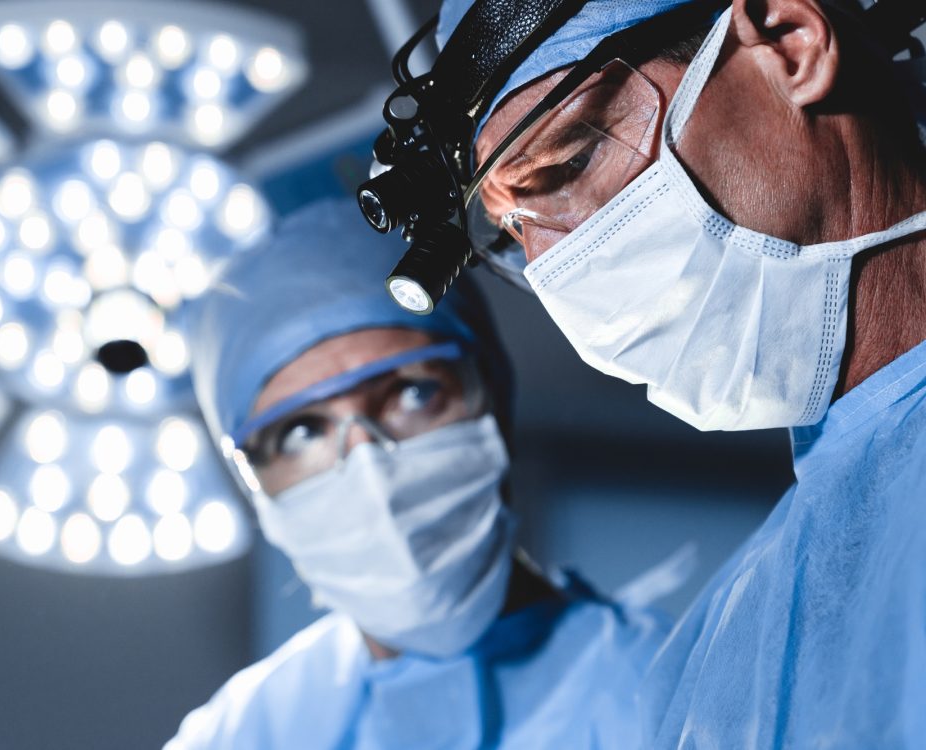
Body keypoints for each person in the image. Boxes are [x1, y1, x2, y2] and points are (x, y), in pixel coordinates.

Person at [395, 0, 926, 747]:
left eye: (571, 161)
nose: (551, 267)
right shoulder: (714, 662)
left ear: (789, 44)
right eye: (516, 227)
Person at [164, 198, 670, 749]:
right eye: (301, 432)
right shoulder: (240, 735)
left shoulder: (673, 704)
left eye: (413, 393)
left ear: (494, 399)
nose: (368, 468)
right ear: (256, 489)